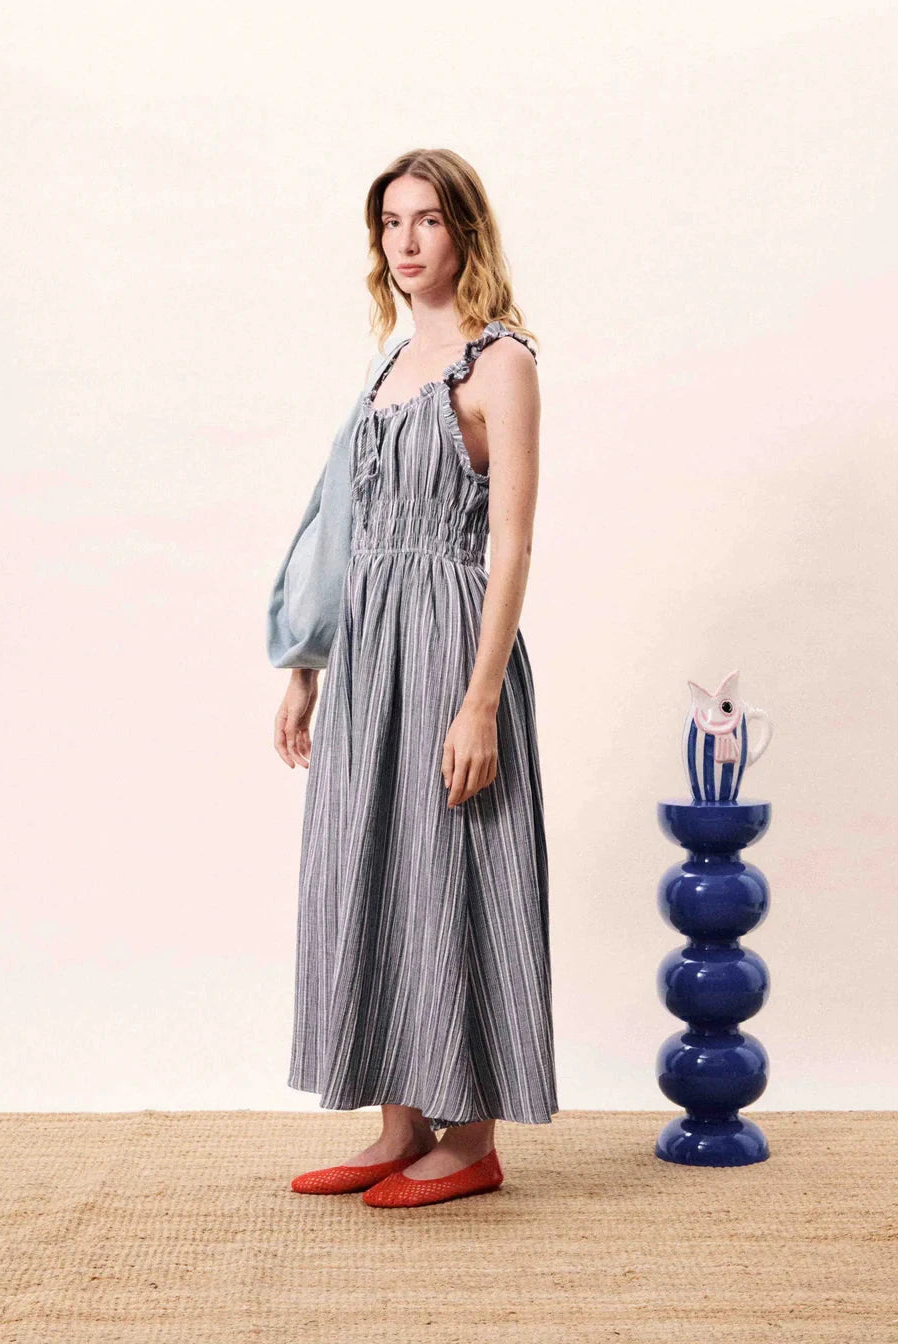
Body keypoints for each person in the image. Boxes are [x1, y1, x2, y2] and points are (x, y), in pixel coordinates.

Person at [273, 148, 558, 1208]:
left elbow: (513, 543)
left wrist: (480, 701)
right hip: (367, 653)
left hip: (449, 643)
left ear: (464, 231)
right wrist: (307, 668)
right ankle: (400, 1124)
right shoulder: (389, 365)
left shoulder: (502, 364)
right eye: (390, 222)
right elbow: (339, 532)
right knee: (372, 864)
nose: (405, 240)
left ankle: (472, 1138)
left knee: (459, 871)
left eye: (427, 219)